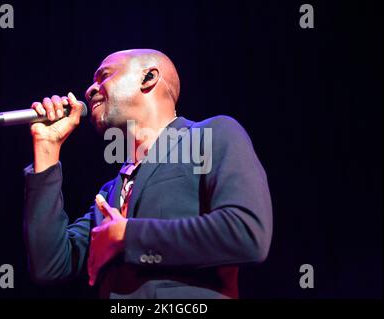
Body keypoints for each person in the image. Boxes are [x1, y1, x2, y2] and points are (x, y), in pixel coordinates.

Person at [23, 49, 273, 299]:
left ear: (149, 78)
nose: (89, 90)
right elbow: (51, 266)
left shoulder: (211, 136)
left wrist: (128, 236)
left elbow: (246, 232)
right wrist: (47, 147)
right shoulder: (111, 191)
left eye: (104, 76)